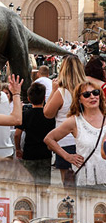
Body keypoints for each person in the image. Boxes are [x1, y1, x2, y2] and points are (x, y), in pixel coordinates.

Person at [44, 81, 106, 186]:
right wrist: (67, 156)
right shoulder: (75, 121)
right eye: (86, 95)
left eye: (95, 92)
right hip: (88, 181)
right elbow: (49, 139)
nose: (92, 97)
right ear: (79, 99)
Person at [43, 55, 86, 185]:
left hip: (65, 142)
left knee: (69, 186)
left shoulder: (61, 92)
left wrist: (53, 90)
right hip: (85, 140)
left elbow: (47, 113)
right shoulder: (89, 91)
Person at [15, 82, 55, 185]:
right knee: (44, 185)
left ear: (29, 98)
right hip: (45, 153)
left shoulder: (25, 115)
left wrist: (18, 148)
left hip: (29, 153)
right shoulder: (50, 115)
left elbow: (17, 134)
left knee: (29, 184)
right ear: (44, 98)